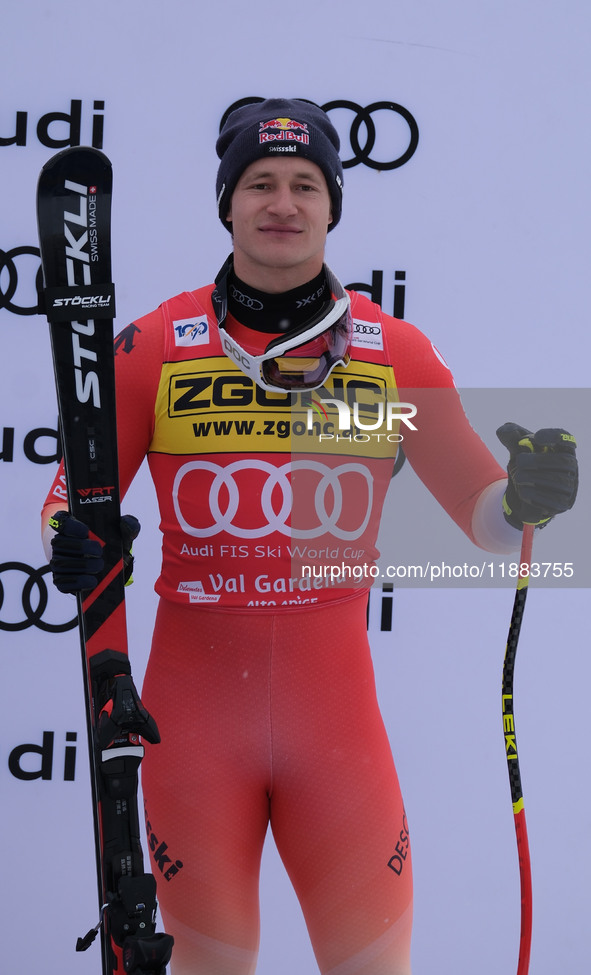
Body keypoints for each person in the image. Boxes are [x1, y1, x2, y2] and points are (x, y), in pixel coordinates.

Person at [42, 98, 578, 975]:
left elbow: (484, 511)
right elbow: (68, 496)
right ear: (226, 204)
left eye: (303, 184)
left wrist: (525, 499)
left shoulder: (388, 351)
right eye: (259, 183)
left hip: (336, 737)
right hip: (190, 729)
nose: (281, 203)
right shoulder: (154, 346)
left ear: (332, 206)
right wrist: (72, 537)